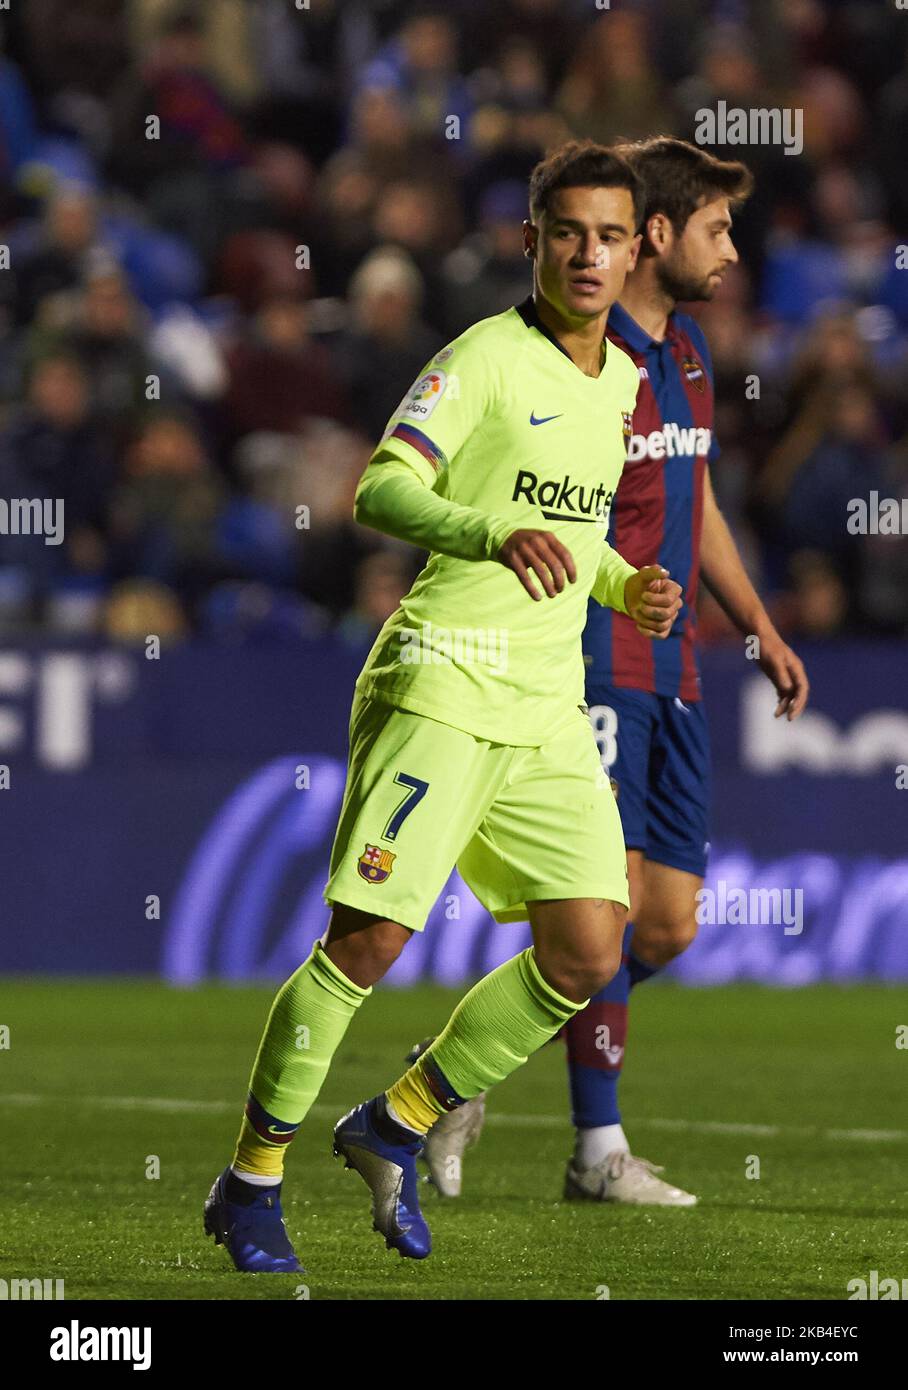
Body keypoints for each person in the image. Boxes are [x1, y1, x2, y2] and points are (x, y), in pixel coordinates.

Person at [203, 140, 684, 1271]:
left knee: (587, 946)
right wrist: (482, 532)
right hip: (444, 676)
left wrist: (628, 583)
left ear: (634, 250)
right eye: (564, 231)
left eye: (608, 235)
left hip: (544, 703)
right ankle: (250, 1179)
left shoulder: (620, 379)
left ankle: (397, 1122)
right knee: (368, 940)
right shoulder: (479, 357)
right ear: (529, 240)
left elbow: (570, 536)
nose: (586, 253)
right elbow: (378, 485)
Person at [423, 137, 811, 1207]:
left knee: (668, 923)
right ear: (656, 234)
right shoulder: (583, 365)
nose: (731, 251)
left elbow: (701, 503)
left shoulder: (683, 353)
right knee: (608, 908)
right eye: (715, 229)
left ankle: (468, 1069)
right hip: (596, 661)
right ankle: (594, 1150)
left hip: (676, 665)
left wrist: (757, 626)